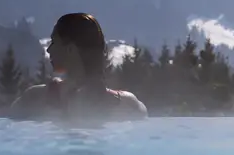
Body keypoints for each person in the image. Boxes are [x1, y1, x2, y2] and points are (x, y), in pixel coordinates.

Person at [9, 13, 147, 121]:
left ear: (70, 49)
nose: (49, 50)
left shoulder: (35, 99)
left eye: (54, 42)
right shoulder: (128, 106)